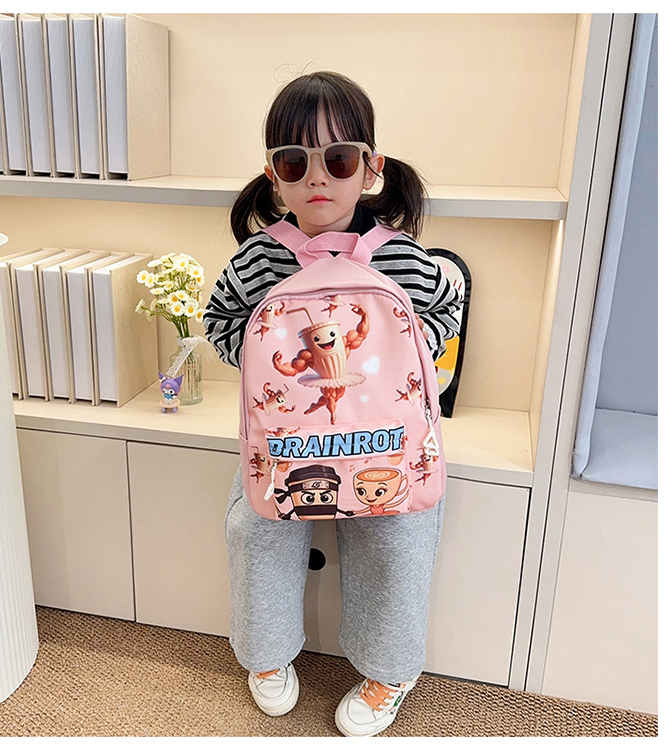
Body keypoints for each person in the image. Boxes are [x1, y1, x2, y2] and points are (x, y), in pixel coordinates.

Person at [204, 71, 462, 737]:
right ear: (274, 176)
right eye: (296, 162)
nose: (318, 177)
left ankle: (389, 670)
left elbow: (447, 307)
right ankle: (265, 654)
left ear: (371, 168)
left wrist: (410, 353)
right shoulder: (259, 260)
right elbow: (219, 319)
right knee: (256, 528)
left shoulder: (403, 259)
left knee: (399, 534)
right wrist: (259, 360)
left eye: (339, 159)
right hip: (287, 438)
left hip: (387, 439)